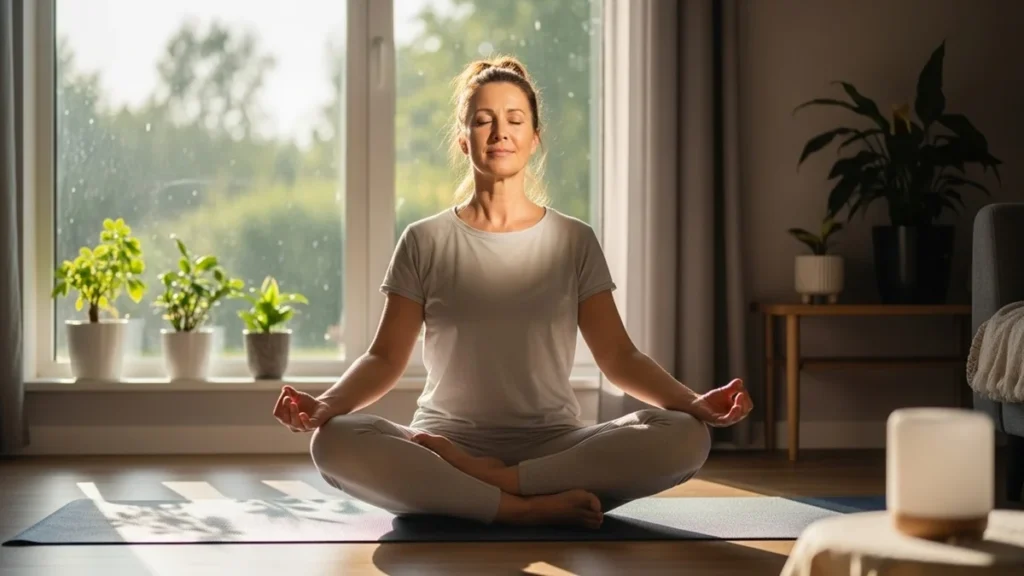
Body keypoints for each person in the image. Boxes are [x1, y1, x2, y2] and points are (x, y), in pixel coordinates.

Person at [271, 56, 753, 529]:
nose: (500, 132)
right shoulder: (424, 240)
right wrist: (327, 405)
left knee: (687, 436)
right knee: (332, 442)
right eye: (484, 121)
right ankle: (523, 507)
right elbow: (383, 358)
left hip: (554, 445)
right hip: (444, 444)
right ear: (463, 139)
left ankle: (494, 486)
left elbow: (619, 357)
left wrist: (693, 402)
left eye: (515, 120)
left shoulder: (574, 240)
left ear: (534, 137)